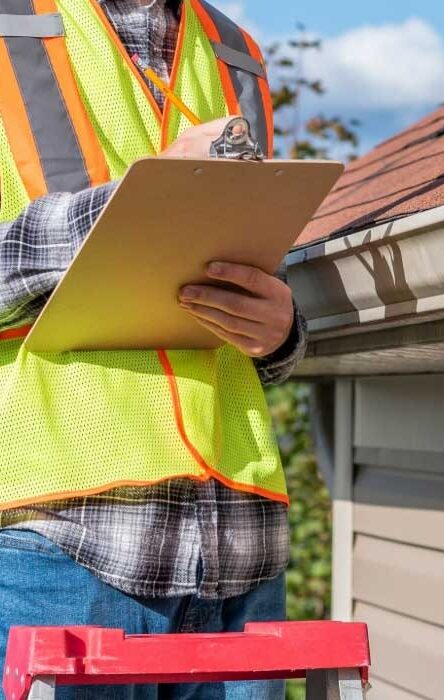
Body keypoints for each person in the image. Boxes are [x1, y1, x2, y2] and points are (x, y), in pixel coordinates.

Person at [0, 1, 303, 697]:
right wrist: (129, 207)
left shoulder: (232, 51)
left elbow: (244, 276)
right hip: (54, 544)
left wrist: (282, 330)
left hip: (242, 549)